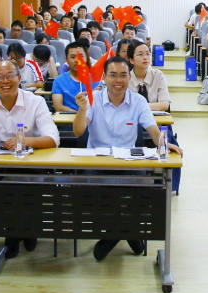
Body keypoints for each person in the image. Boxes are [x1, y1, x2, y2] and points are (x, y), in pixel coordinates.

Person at [72, 56, 182, 260]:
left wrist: (164, 144)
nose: (118, 80)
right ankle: (129, 231)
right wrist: (82, 108)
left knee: (146, 190)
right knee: (94, 194)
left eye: (123, 75)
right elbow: (78, 131)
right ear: (104, 78)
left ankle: (112, 235)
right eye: (113, 75)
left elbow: (154, 131)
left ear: (129, 78)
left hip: (129, 161)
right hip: (97, 163)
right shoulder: (93, 99)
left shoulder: (138, 101)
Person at [0, 60, 59, 258]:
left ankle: (22, 232)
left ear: (19, 78)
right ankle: (18, 233)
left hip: (32, 165)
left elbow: (53, 138)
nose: (5, 81)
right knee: (5, 187)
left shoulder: (35, 101)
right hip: (0, 167)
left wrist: (25, 141)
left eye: (10, 75)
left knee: (25, 186)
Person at [51, 42, 99, 112]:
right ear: (66, 60)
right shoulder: (59, 80)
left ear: (86, 58)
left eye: (81, 56)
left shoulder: (97, 79)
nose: (77, 60)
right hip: (69, 117)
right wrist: (80, 115)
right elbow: (58, 107)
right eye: (73, 57)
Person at [128, 42, 171, 111]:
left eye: (148, 54)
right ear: (131, 60)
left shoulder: (158, 75)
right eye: (140, 54)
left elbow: (165, 105)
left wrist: (138, 106)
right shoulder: (126, 78)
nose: (145, 57)